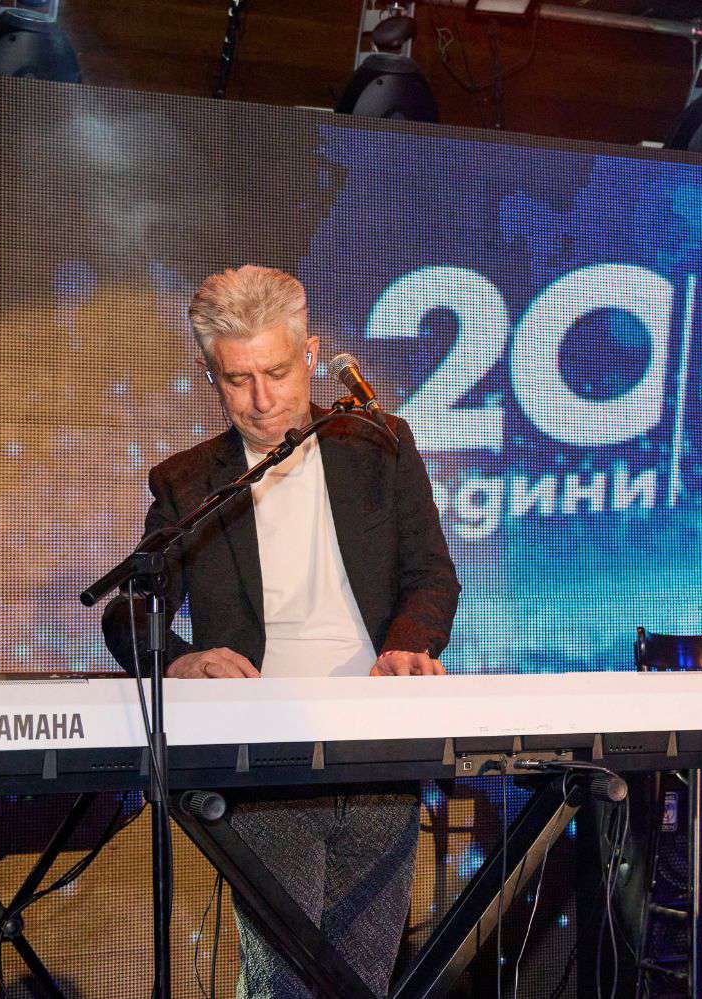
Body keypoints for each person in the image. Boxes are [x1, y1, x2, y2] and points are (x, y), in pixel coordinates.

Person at [102, 264, 460, 997]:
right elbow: (127, 610)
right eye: (237, 380)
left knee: (362, 977)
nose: (262, 401)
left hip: (376, 745)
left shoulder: (380, 445)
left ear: (311, 354)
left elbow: (432, 577)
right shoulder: (189, 481)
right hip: (261, 758)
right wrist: (181, 662)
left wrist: (406, 645)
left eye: (276, 372)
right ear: (211, 376)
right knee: (282, 981)